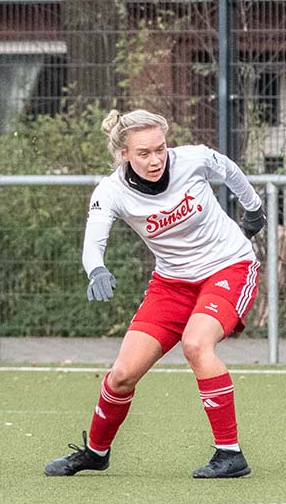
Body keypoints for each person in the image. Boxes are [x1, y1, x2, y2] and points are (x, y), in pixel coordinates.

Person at [44, 109, 266, 479]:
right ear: (124, 155)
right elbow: (93, 242)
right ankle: (96, 452)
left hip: (229, 266)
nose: (155, 160)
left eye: (160, 149)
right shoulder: (111, 191)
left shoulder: (192, 159)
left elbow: (229, 170)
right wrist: (96, 269)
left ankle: (230, 454)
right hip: (172, 283)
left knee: (196, 344)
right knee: (122, 374)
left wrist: (253, 207)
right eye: (144, 153)